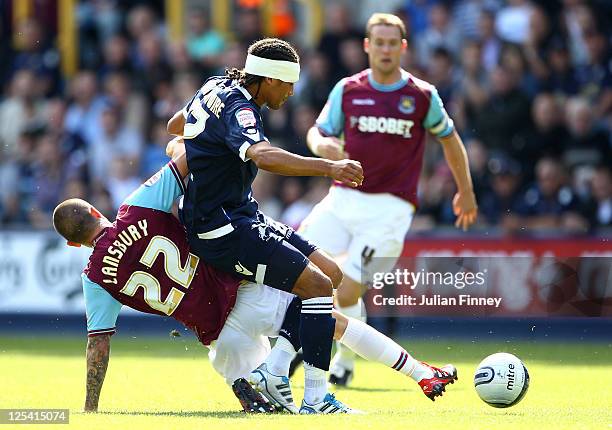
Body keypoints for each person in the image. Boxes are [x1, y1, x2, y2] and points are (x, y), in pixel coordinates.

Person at [53, 140, 457, 415]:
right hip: (240, 290)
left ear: (74, 246)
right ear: (94, 212)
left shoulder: (94, 277)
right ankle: (416, 374)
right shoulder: (135, 207)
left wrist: (91, 409)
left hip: (217, 335)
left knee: (267, 401)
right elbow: (187, 159)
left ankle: (250, 379)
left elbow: (98, 348)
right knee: (328, 318)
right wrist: (180, 137)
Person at [166, 38, 364, 411]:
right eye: (287, 84)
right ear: (269, 79)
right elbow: (263, 154)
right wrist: (329, 167)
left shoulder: (213, 86)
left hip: (240, 214)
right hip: (222, 228)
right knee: (319, 288)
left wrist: (190, 148)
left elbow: (176, 124)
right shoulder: (242, 109)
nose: (291, 93)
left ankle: (274, 370)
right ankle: (316, 398)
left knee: (331, 274)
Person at [292, 13, 478, 386]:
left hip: (390, 208)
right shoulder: (347, 89)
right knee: (296, 266)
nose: (386, 49)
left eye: (393, 43)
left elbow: (450, 140)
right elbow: (318, 131)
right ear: (367, 46)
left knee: (344, 287)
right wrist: (322, 145)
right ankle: (321, 354)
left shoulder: (422, 96)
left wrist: (466, 190)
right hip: (342, 198)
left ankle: (337, 357)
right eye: (379, 42)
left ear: (403, 47)